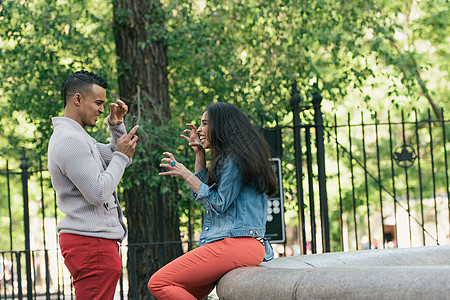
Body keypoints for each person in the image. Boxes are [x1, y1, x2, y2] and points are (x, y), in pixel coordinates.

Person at [148, 102, 277, 300]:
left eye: (205, 123)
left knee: (159, 282)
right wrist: (199, 155)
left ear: (222, 127)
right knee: (187, 293)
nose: (199, 129)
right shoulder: (233, 158)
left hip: (236, 244)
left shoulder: (235, 159)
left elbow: (218, 202)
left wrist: (186, 174)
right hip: (240, 246)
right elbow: (206, 197)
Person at [48, 70, 139, 300]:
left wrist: (117, 127)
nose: (101, 109)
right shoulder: (69, 140)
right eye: (98, 103)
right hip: (91, 244)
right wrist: (120, 155)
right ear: (77, 99)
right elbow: (98, 192)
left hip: (95, 243)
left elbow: (116, 158)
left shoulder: (78, 137)